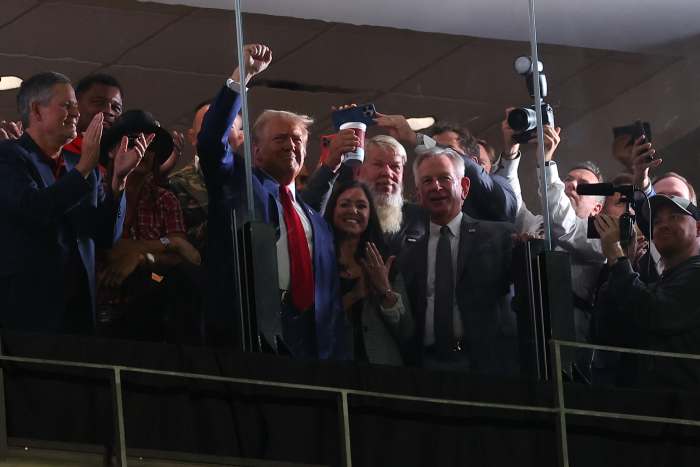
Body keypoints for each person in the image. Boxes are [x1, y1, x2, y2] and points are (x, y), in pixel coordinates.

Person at [197, 43, 346, 359]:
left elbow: (331, 303)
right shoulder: (238, 183)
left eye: (297, 140)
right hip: (249, 334)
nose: (291, 145)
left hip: (312, 345)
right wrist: (243, 76)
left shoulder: (317, 223)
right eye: (280, 138)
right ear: (257, 151)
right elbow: (211, 142)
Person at [0, 71, 144, 333]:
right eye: (66, 105)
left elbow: (104, 236)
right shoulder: (9, 156)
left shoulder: (76, 165)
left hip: (78, 313)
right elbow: (34, 209)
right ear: (37, 110)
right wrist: (84, 170)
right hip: (27, 311)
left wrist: (118, 181)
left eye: (76, 107)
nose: (76, 114)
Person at [399, 147, 516, 374]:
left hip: (486, 368)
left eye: (444, 178)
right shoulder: (409, 255)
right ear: (419, 193)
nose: (436, 186)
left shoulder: (500, 238)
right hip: (426, 368)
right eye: (427, 181)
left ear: (464, 187)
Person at [595, 194, 700, 388]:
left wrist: (617, 258)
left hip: (682, 411)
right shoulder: (661, 284)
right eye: (657, 221)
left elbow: (658, 313)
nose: (663, 225)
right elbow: (608, 332)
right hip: (647, 406)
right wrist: (625, 258)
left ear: (698, 228)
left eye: (675, 217)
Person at [325, 180, 413, 365]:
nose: (353, 211)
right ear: (332, 210)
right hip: (330, 369)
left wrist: (385, 291)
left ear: (370, 215)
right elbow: (314, 322)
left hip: (380, 375)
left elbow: (407, 333)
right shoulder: (318, 260)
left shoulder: (385, 262)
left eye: (361, 206)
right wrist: (355, 295)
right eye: (345, 204)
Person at [375, 114, 518, 223]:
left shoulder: (499, 187)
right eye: (431, 152)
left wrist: (413, 137)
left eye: (448, 151)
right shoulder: (420, 210)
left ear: (473, 161)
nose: (437, 157)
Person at [304, 133, 427, 255]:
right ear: (358, 171)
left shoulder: (418, 217)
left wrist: (413, 136)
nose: (388, 173)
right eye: (378, 164)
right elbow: (306, 213)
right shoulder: (340, 213)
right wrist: (329, 168)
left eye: (395, 166)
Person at [168, 99, 244, 256]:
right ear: (192, 136)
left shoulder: (253, 185)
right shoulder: (174, 185)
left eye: (227, 125)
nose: (217, 131)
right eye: (208, 124)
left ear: (240, 137)